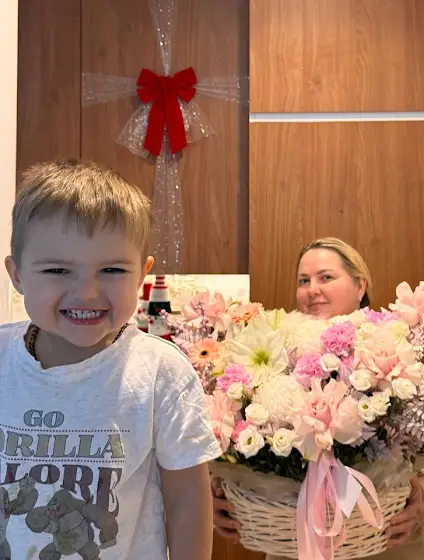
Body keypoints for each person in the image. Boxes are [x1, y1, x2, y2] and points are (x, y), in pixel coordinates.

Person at [0, 160, 220, 559]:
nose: (86, 292)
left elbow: (187, 499)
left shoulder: (160, 372)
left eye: (112, 270)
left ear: (142, 275)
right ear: (16, 274)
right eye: (58, 270)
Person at [212, 237, 424, 560]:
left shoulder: (399, 360)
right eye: (303, 281)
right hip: (294, 549)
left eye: (326, 277)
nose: (312, 290)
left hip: (384, 548)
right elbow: (231, 446)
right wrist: (219, 492)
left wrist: (423, 499)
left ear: (360, 286)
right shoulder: (272, 360)